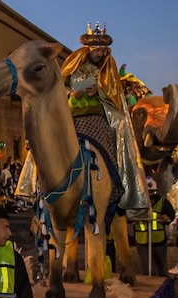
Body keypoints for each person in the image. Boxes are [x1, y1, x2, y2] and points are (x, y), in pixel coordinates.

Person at [58, 23, 150, 213]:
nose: (100, 54)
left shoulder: (108, 67)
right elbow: (60, 85)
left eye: (103, 50)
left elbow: (113, 90)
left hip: (99, 113)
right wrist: (70, 93)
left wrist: (98, 91)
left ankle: (117, 175)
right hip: (72, 113)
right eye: (96, 50)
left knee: (121, 125)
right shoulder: (73, 64)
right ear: (88, 49)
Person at [133, 185, 176, 276]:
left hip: (158, 240)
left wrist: (165, 217)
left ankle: (162, 284)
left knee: (162, 266)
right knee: (148, 267)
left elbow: (171, 216)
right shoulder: (135, 202)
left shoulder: (163, 202)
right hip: (142, 240)